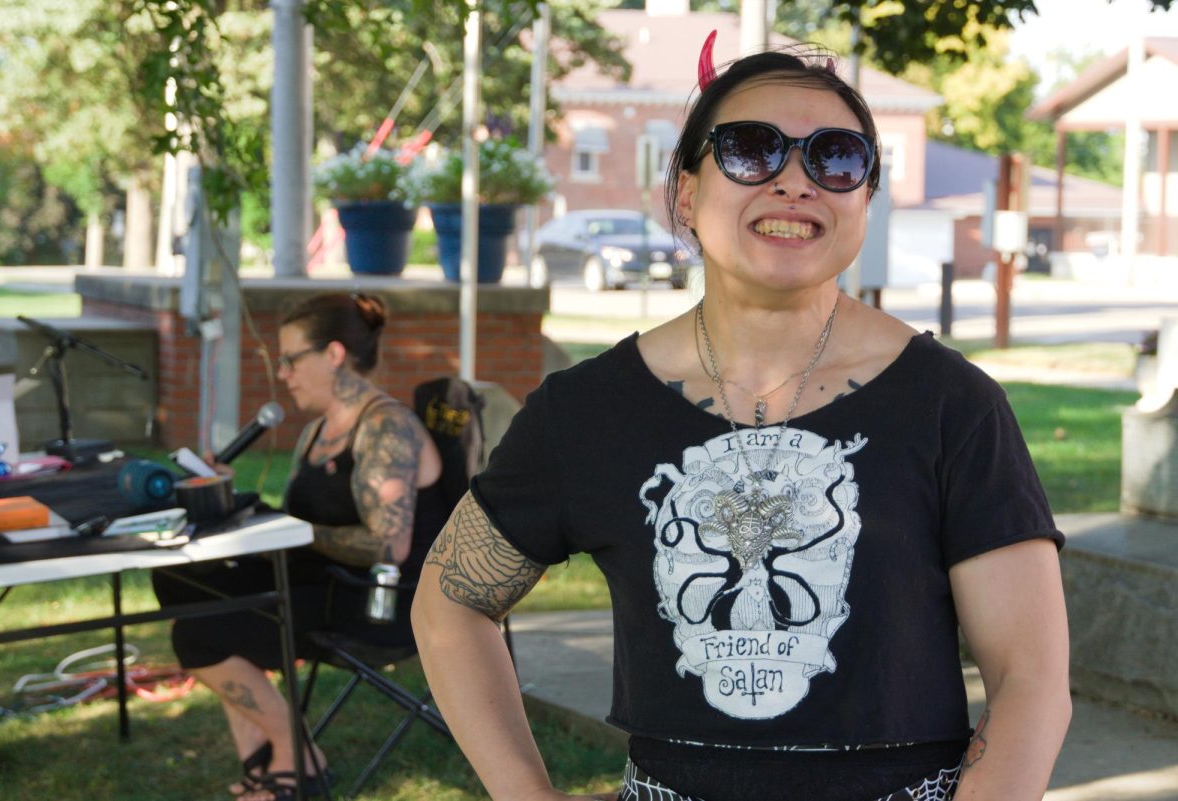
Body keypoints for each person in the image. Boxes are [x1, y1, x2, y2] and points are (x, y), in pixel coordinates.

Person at [411, 36, 1071, 801]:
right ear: (686, 193)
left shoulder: (951, 405)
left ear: (864, 199)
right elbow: (451, 599)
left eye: (837, 158)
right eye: (752, 150)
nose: (795, 181)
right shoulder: (587, 411)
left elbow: (1031, 678)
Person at [153, 292, 446, 801]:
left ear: (333, 355)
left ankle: (296, 759)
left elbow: (387, 546)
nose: (282, 373)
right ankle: (269, 758)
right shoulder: (315, 432)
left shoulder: (385, 427)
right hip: (322, 584)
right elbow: (307, 525)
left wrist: (285, 533)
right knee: (181, 579)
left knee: (201, 632)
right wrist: (233, 502)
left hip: (382, 603)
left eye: (290, 359)